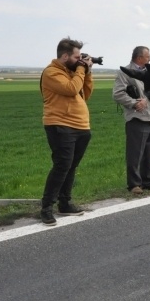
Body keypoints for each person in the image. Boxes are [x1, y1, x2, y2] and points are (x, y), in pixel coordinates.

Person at [39, 37, 93, 226]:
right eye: (77, 57)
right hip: (60, 125)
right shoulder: (52, 73)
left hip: (81, 126)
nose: (79, 61)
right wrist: (81, 69)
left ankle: (65, 203)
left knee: (71, 166)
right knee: (62, 165)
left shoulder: (72, 72)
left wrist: (87, 72)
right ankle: (46, 208)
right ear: (64, 56)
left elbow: (84, 93)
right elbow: (71, 89)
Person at [113, 46, 150, 194]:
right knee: (135, 153)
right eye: (148, 56)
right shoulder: (125, 72)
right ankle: (134, 184)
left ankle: (148, 181)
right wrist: (135, 103)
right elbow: (117, 94)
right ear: (139, 58)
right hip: (136, 117)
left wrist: (148, 101)